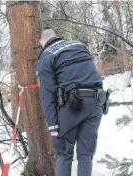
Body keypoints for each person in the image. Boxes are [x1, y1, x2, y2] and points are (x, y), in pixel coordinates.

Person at [36, 29, 106, 176]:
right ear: (57, 35)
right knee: (86, 155)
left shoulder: (46, 55)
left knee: (64, 154)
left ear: (41, 42)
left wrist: (53, 127)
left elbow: (47, 94)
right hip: (96, 101)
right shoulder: (79, 45)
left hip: (72, 106)